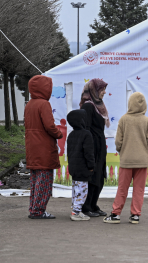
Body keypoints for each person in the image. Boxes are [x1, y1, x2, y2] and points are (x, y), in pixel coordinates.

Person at [104, 92, 148, 224]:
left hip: (126, 160)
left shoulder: (123, 119)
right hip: (142, 161)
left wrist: (122, 151)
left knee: (122, 188)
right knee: (139, 189)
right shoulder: (147, 121)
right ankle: (135, 215)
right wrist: (147, 151)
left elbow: (118, 142)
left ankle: (115, 214)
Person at [25, 75, 63, 219]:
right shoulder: (44, 104)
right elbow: (49, 126)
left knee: (35, 180)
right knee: (45, 180)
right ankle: (38, 210)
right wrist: (59, 134)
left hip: (32, 147)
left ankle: (33, 208)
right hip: (44, 147)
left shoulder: (29, 104)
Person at [80, 79, 110, 217]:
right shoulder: (88, 106)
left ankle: (93, 204)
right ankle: (86, 207)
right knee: (92, 176)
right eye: (102, 89)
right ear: (94, 90)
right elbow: (85, 129)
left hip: (100, 145)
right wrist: (89, 148)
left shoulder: (99, 105)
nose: (104, 92)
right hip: (93, 146)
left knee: (99, 176)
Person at [66, 109, 95, 221]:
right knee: (82, 191)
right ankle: (76, 212)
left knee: (75, 189)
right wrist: (91, 165)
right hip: (83, 168)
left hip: (74, 167)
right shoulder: (86, 134)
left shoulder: (71, 135)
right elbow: (89, 152)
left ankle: (75, 209)